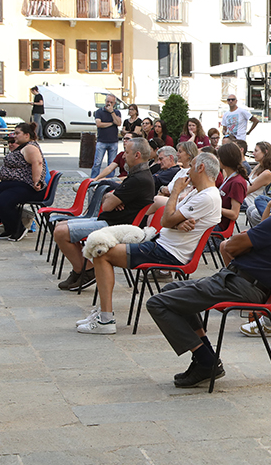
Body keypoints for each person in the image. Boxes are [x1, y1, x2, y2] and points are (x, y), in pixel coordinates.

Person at [145, 171, 271, 387]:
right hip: (244, 282)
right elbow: (240, 246)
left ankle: (206, 360)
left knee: (157, 303)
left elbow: (232, 246)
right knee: (173, 290)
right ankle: (206, 357)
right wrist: (246, 244)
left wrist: (244, 242)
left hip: (241, 285)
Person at [77, 152, 225, 335]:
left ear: (200, 168)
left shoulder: (208, 196)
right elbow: (169, 218)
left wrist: (176, 194)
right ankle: (102, 313)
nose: (187, 172)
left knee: (102, 253)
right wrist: (176, 221)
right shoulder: (199, 192)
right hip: (160, 243)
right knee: (102, 244)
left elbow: (165, 220)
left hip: (167, 252)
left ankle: (105, 319)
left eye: (191, 166)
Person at [55, 138, 156, 290]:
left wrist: (112, 197)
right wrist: (112, 196)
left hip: (116, 226)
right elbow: (108, 199)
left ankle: (86, 271)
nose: (123, 156)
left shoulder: (139, 179)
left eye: (126, 152)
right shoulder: (138, 174)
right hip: (110, 221)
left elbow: (107, 206)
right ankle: (82, 269)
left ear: (137, 155)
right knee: (62, 225)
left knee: (60, 232)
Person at [0, 122, 47, 242]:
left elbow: (38, 163)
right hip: (16, 186)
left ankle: (18, 229)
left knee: (3, 203)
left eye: (17, 133)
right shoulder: (23, 147)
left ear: (27, 135)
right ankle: (9, 229)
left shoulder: (30, 147)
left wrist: (37, 181)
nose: (14, 136)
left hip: (29, 188)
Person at [243, 141, 271, 226]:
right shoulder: (258, 166)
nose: (253, 153)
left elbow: (248, 190)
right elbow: (247, 181)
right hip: (245, 197)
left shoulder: (267, 173)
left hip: (250, 200)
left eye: (256, 151)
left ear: (265, 152)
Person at [214, 142, 248, 233]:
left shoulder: (237, 183)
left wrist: (213, 208)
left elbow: (234, 214)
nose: (218, 159)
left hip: (219, 226)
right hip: (215, 220)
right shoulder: (229, 177)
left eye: (219, 157)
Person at [91, 94, 121, 179]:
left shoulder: (116, 112)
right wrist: (111, 123)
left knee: (111, 163)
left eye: (111, 102)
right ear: (105, 101)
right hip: (102, 141)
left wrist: (112, 112)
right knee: (97, 162)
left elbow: (118, 123)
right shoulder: (99, 112)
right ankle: (94, 179)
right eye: (107, 101)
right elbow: (99, 124)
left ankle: (109, 180)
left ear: (114, 103)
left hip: (113, 141)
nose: (109, 104)